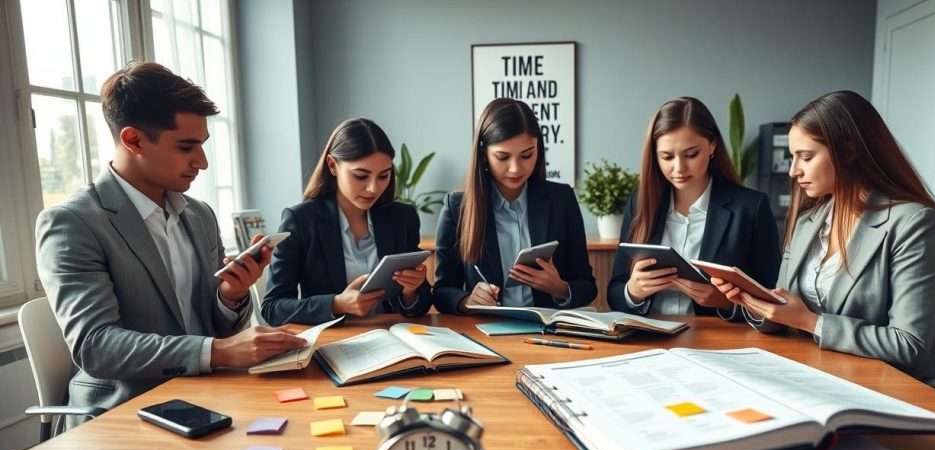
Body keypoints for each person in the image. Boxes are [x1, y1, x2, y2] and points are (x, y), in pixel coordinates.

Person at [35, 62, 307, 429]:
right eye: (186, 147)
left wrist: (231, 295)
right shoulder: (73, 224)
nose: (203, 162)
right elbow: (96, 346)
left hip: (207, 398)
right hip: (123, 416)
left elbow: (212, 329)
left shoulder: (199, 215)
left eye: (203, 146)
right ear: (133, 140)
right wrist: (220, 351)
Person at [711, 90, 935, 380]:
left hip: (893, 386)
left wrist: (811, 322)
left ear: (848, 151)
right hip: (821, 373)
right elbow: (786, 313)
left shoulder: (913, 223)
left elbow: (910, 345)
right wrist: (752, 301)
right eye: (792, 157)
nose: (793, 171)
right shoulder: (808, 222)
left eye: (806, 157)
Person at [608, 97, 781, 318]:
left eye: (691, 154)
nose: (679, 168)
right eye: (667, 157)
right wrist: (632, 292)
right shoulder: (641, 202)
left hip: (715, 343)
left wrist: (727, 304)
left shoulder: (750, 208)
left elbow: (773, 299)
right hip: (648, 337)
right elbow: (614, 292)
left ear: (712, 146)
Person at [261, 118, 431, 325]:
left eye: (383, 176)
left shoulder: (402, 218)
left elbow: (420, 307)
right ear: (332, 165)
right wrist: (336, 304)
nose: (373, 188)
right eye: (361, 176)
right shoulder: (301, 221)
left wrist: (411, 291)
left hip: (394, 340)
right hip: (334, 343)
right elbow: (273, 308)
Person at [433, 98, 596, 313]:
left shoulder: (561, 199)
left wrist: (560, 289)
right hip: (486, 331)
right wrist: (466, 300)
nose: (515, 168)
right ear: (483, 154)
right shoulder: (457, 207)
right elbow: (442, 290)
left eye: (527, 155)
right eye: (502, 157)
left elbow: (587, 286)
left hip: (549, 332)